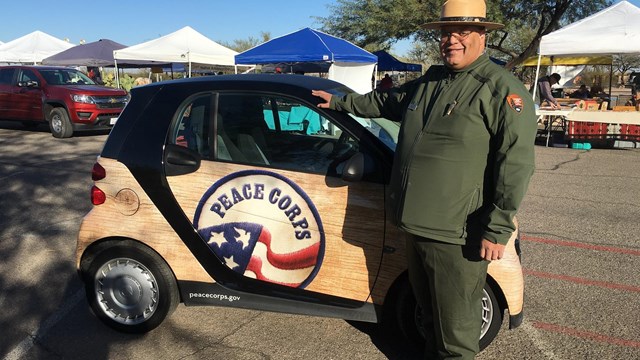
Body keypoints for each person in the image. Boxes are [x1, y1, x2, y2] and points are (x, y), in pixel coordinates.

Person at [312, 0, 536, 358]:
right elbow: (386, 102)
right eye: (446, 33)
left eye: (462, 32)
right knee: (429, 319)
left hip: (456, 234)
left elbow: (516, 164)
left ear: (482, 35)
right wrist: (340, 104)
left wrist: (497, 227)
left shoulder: (499, 90)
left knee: (457, 334)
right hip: (414, 225)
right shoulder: (431, 81)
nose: (452, 41)